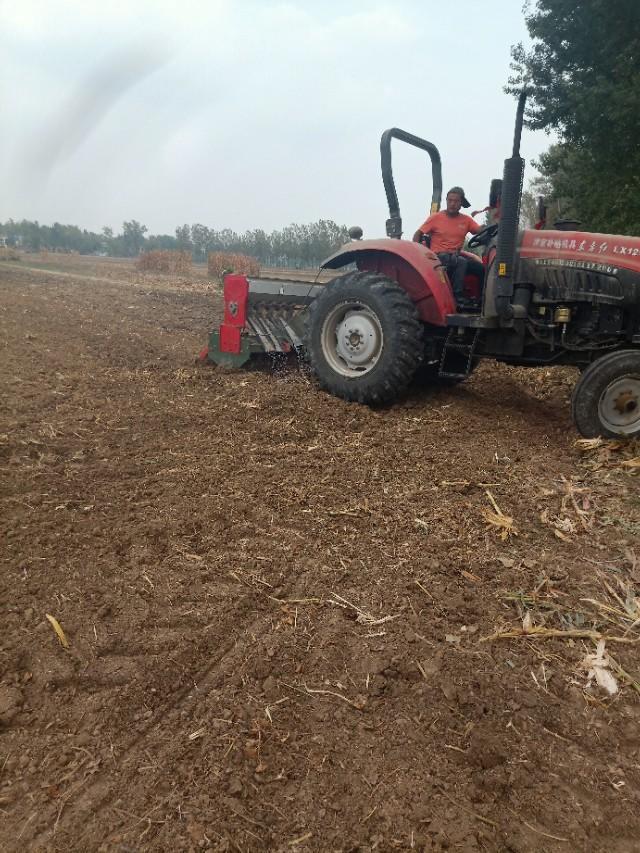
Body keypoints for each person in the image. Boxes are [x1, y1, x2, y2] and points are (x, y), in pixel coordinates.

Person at [412, 186, 482, 300]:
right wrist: (419, 253)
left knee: (480, 269)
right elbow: (418, 234)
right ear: (446, 201)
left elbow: (480, 231)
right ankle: (457, 297)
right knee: (461, 262)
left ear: (461, 203)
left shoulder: (466, 220)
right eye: (450, 200)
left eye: (456, 201)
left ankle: (481, 300)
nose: (452, 204)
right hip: (439, 257)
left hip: (456, 256)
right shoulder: (436, 218)